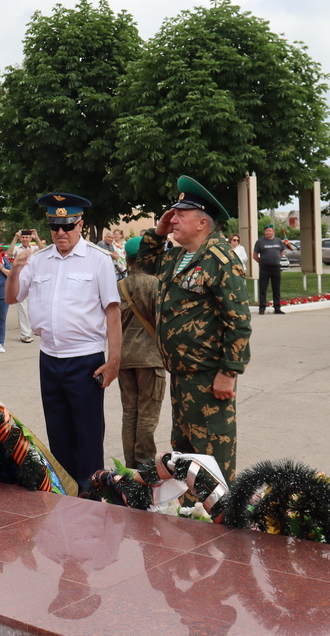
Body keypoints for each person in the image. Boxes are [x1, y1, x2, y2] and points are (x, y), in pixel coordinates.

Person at [137, 177, 251, 483]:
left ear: (202, 222)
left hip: (208, 376)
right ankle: (190, 511)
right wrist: (158, 232)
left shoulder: (220, 259)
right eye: (172, 215)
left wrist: (229, 372)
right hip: (180, 375)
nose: (173, 219)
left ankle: (224, 518)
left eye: (180, 215)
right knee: (184, 452)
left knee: (214, 454)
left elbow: (238, 321)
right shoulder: (175, 256)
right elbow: (143, 263)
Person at [6, 193, 121, 488]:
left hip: (85, 359)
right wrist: (16, 270)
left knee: (88, 432)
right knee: (58, 431)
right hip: (49, 358)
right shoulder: (39, 261)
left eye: (67, 226)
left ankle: (92, 492)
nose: (60, 233)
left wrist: (114, 361)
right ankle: (65, 489)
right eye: (55, 227)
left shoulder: (98, 260)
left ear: (80, 224)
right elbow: (12, 297)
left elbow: (113, 312)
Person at [117, 236, 166, 466]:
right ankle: (145, 468)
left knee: (130, 414)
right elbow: (164, 322)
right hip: (150, 359)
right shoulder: (156, 285)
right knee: (147, 414)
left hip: (124, 358)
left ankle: (130, 468)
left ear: (128, 259)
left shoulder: (119, 286)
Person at [10, 229, 44, 343]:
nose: (24, 239)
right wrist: (15, 238)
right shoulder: (17, 248)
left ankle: (35, 328)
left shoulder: (34, 248)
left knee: (36, 305)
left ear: (30, 239)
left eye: (27, 238)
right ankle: (25, 334)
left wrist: (37, 237)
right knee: (23, 307)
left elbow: (44, 249)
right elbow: (9, 253)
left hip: (34, 280)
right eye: (23, 237)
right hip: (20, 279)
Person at [252, 225, 286, 315]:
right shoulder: (260, 242)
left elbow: (281, 252)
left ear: (273, 232)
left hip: (276, 268)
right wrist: (262, 262)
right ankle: (262, 308)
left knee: (276, 288)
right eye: (266, 231)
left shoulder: (278, 241)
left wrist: (277, 259)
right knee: (263, 288)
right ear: (265, 232)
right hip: (264, 268)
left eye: (269, 231)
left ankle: (277, 308)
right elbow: (255, 256)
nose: (268, 232)